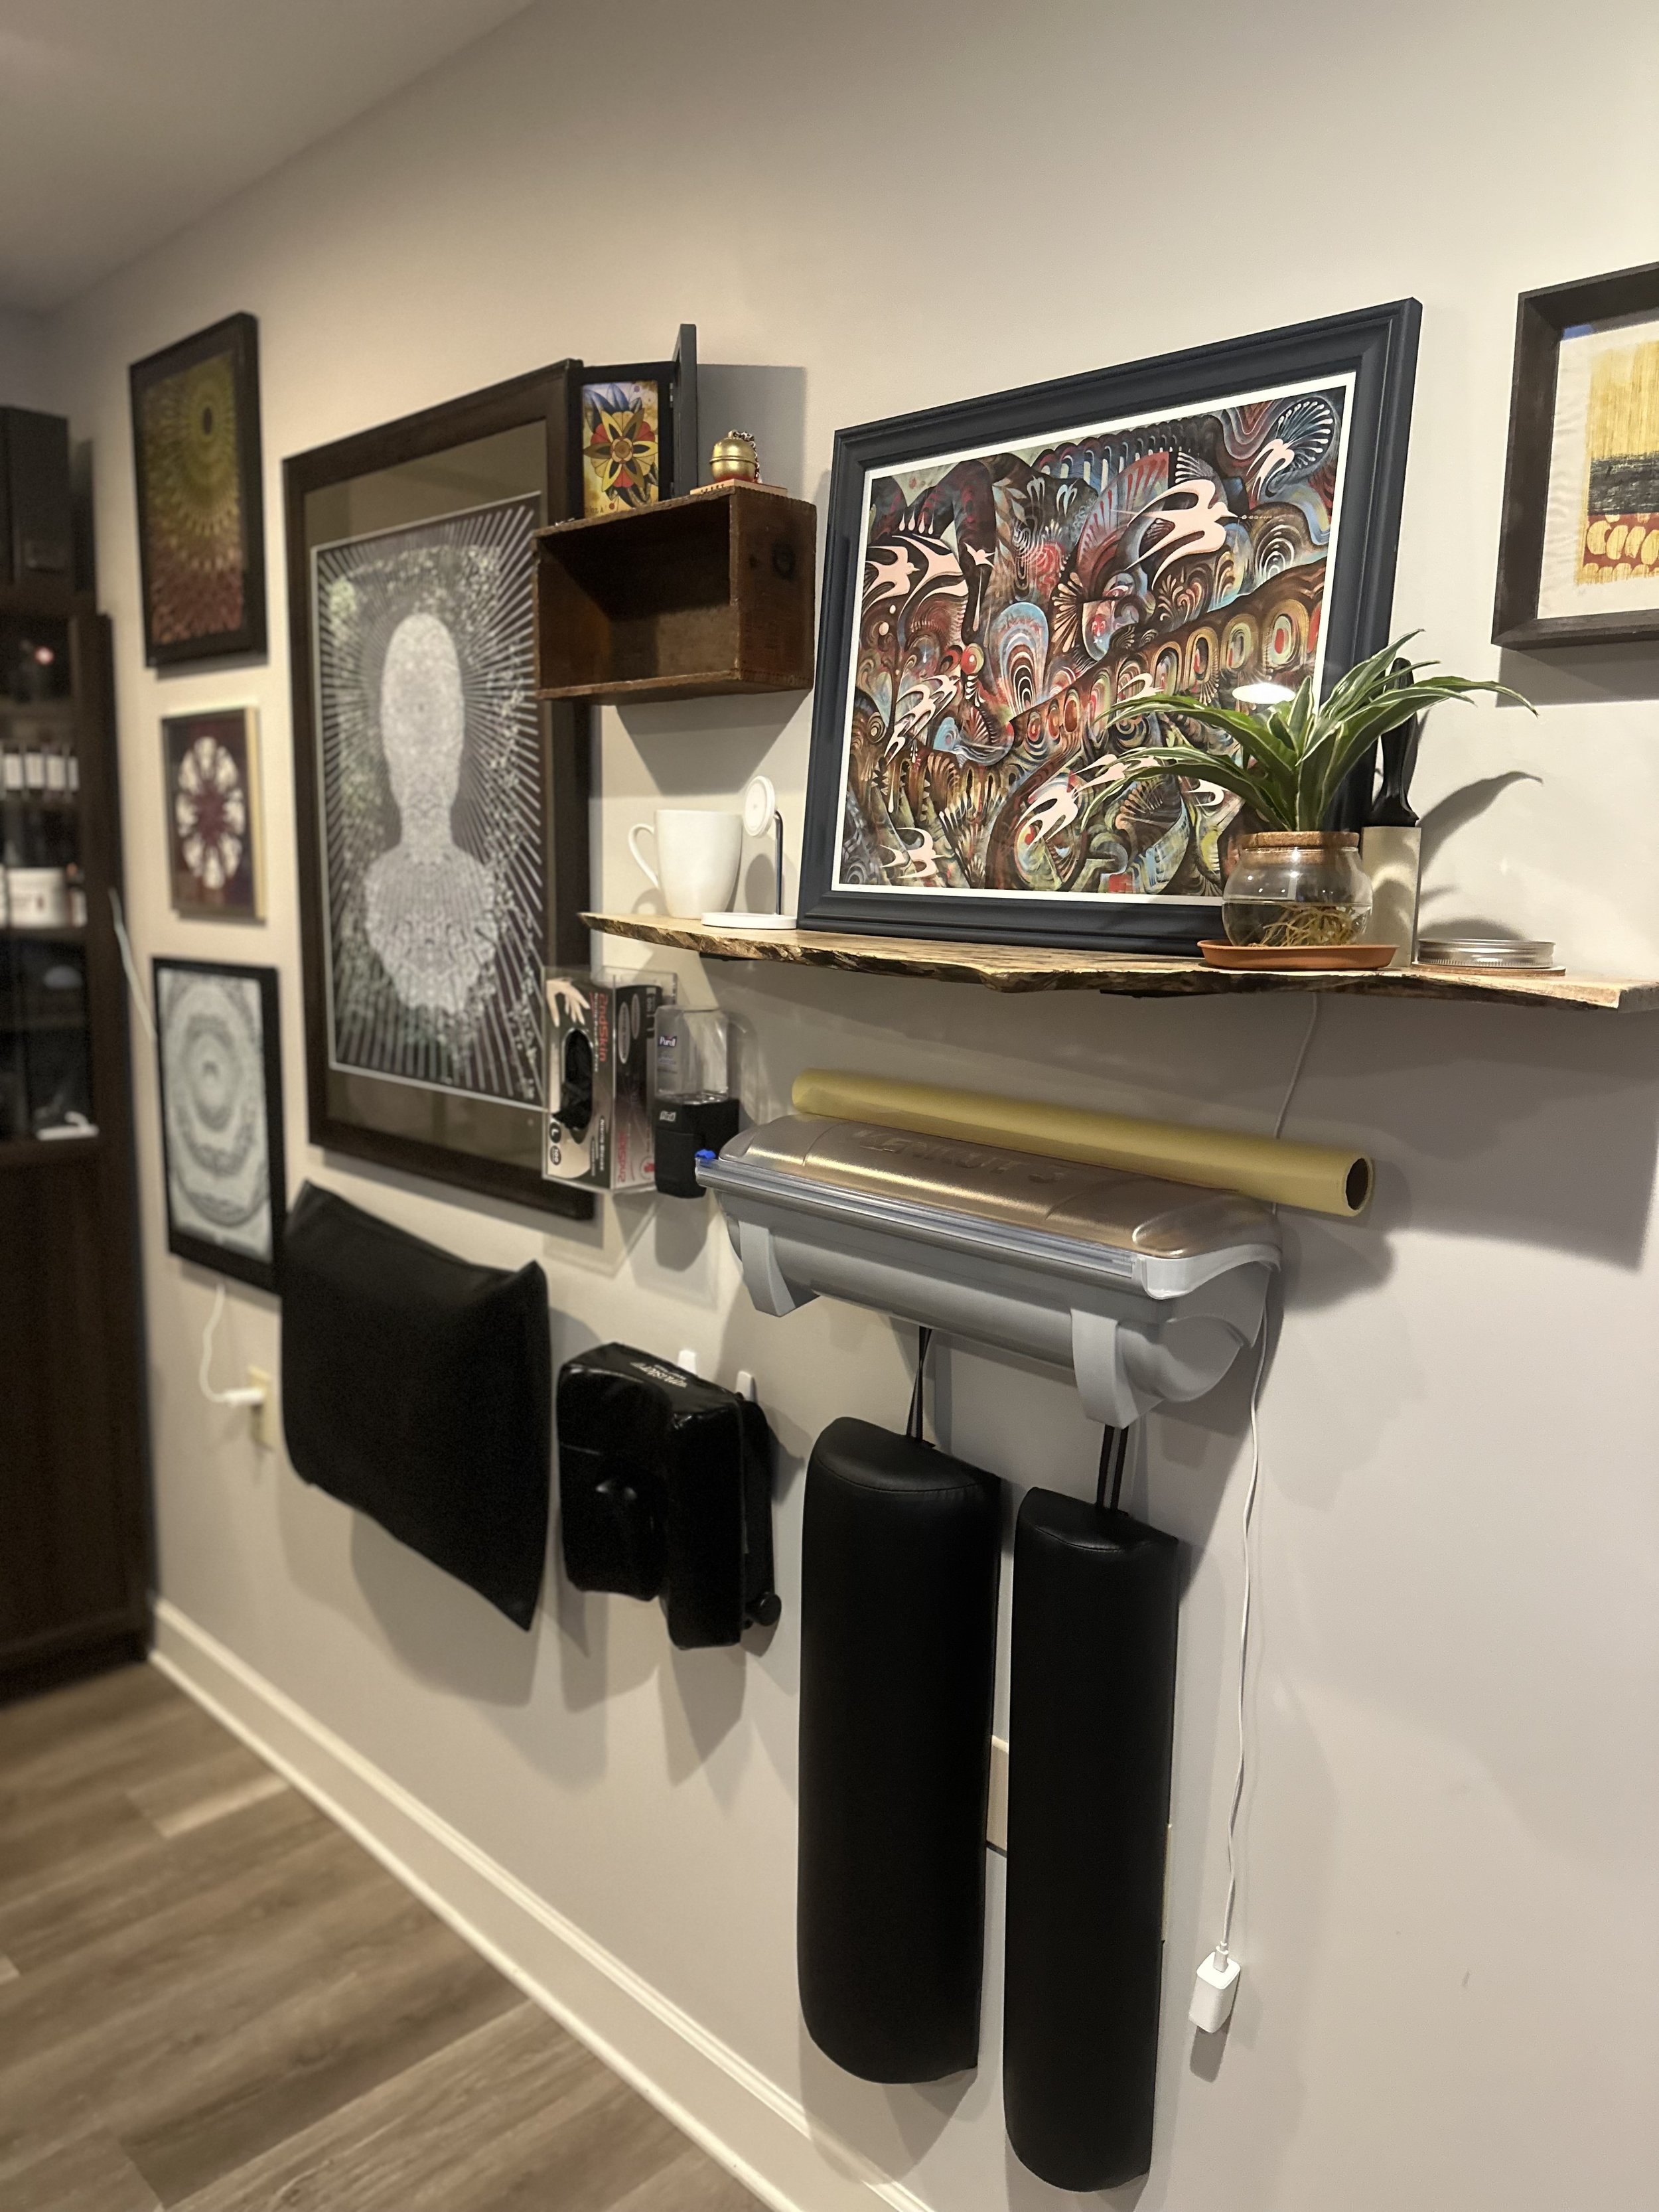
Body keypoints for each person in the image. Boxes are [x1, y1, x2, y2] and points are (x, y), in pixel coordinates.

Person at [364, 611, 496, 1015]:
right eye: (405, 710)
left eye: (437, 708)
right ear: (386, 736)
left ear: (458, 735)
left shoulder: (478, 887)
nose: (423, 731)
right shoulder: (379, 884)